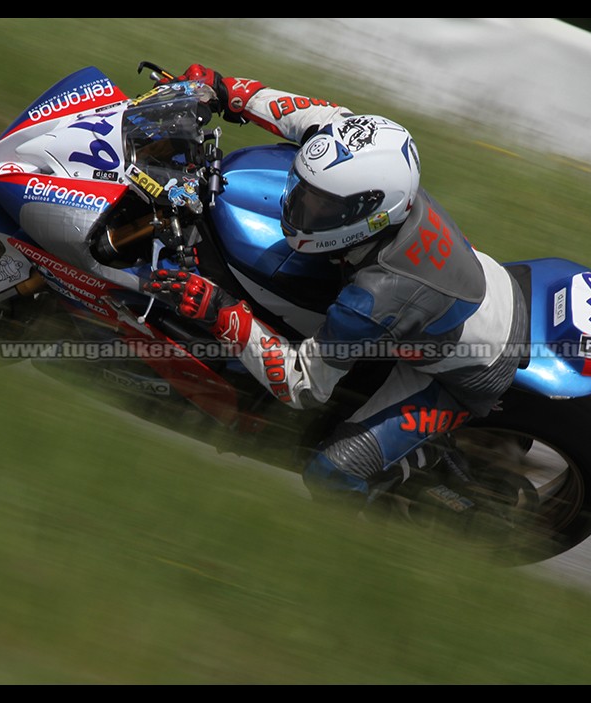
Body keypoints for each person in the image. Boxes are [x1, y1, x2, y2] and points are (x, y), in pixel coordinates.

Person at [145, 64, 528, 513]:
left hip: (474, 366)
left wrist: (223, 311)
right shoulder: (368, 160)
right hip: (474, 290)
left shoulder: (372, 298)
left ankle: (383, 524)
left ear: (371, 212)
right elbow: (311, 115)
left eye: (321, 205)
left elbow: (303, 387)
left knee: (330, 475)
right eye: (304, 190)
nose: (300, 205)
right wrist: (225, 89)